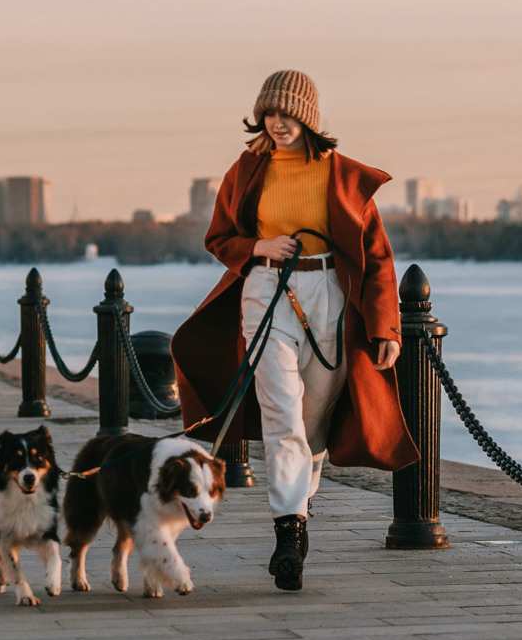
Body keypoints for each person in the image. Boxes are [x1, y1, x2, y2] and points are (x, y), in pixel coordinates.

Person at [171, 69, 418, 591]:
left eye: (287, 114)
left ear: (307, 116)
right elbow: (219, 238)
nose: (277, 123)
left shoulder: (342, 174)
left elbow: (376, 256)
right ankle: (289, 531)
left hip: (329, 295)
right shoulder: (246, 169)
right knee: (282, 412)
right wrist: (258, 247)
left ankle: (300, 504)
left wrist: (386, 328)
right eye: (269, 113)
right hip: (265, 292)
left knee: (315, 420)